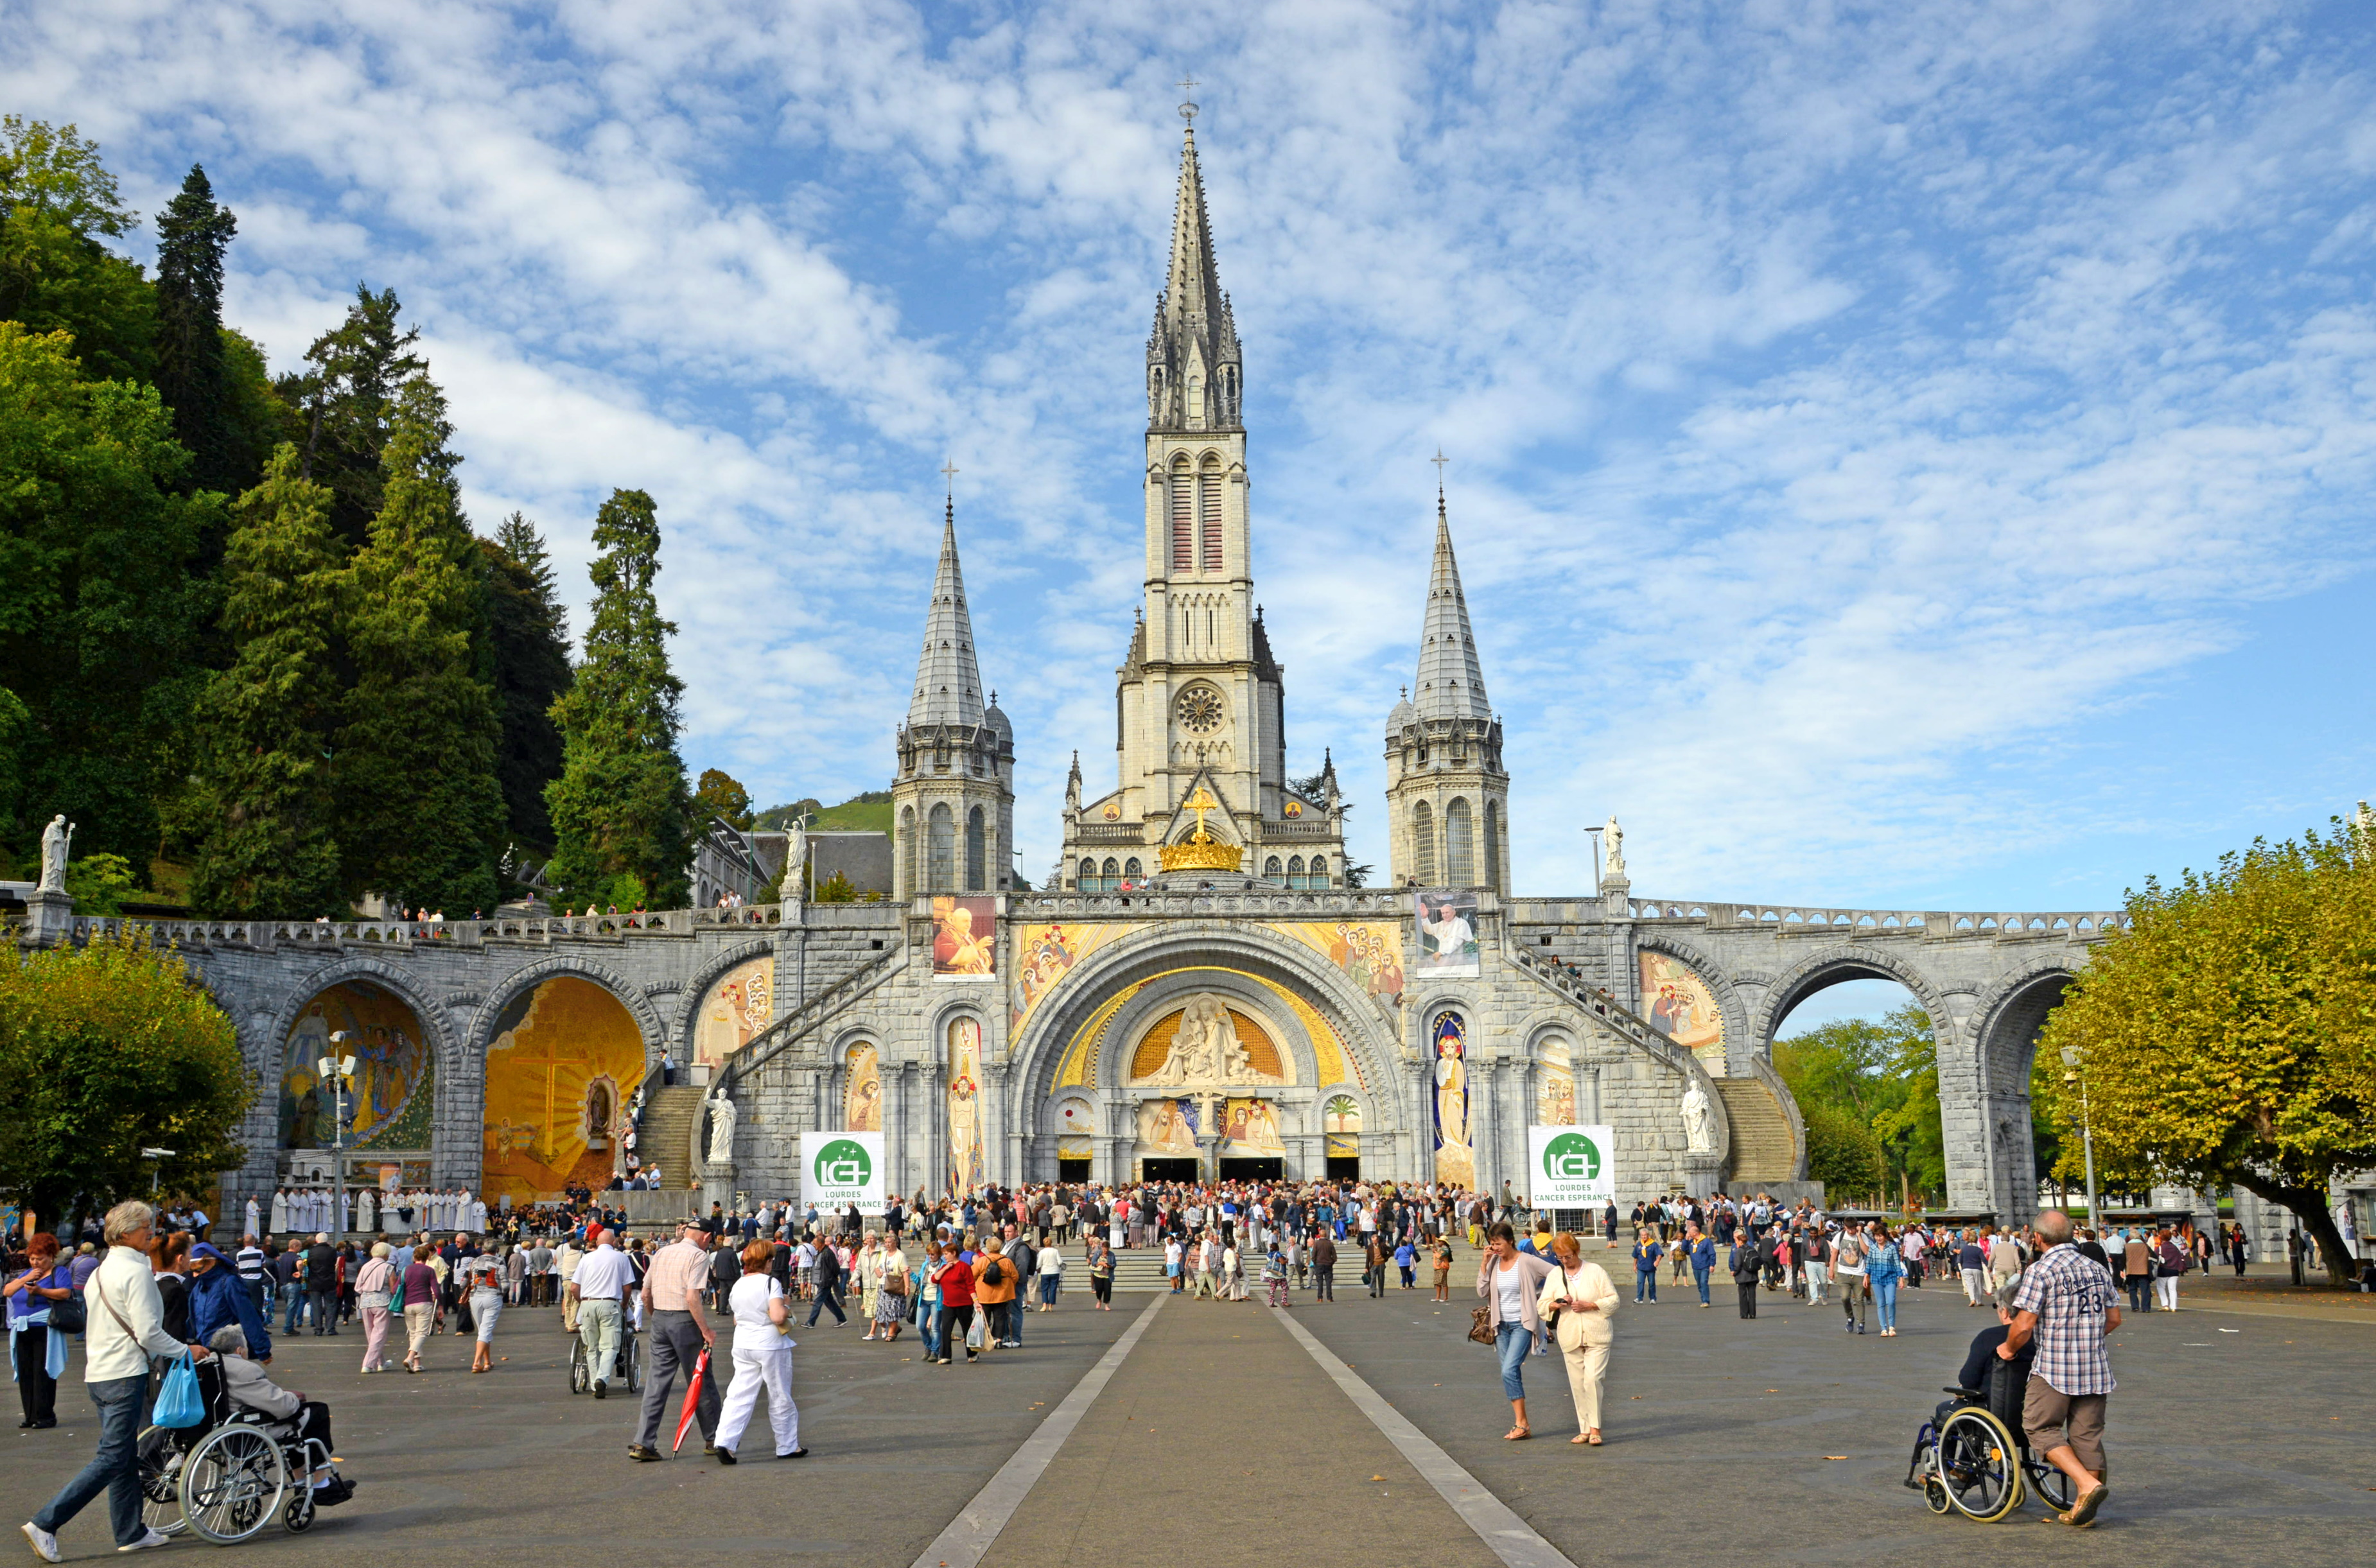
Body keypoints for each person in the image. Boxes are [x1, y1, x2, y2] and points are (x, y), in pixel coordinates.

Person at [22, 1200, 216, 1561]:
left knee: (124, 1456)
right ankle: (46, 1522)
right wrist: (185, 1350)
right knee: (113, 1457)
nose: (152, 1233)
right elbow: (149, 1332)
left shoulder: (100, 1270)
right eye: (146, 1227)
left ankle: (131, 1531)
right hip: (125, 1373)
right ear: (127, 1233)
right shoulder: (137, 1272)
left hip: (99, 1372)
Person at [2003, 1210, 2121, 1528]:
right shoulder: (2097, 1268)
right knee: (2088, 1436)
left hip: (2055, 1367)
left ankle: (2086, 1485)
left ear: (2038, 1238)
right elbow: (2114, 1319)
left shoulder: (2041, 1271)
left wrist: (2009, 1348)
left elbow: (2024, 1325)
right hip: (2095, 1366)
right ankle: (2083, 1507)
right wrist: (2088, 1337)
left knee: (2039, 1427)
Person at [209, 1325, 355, 1507]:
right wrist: (293, 1397)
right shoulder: (243, 1370)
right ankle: (319, 1482)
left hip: (216, 1428)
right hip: (248, 1430)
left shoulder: (205, 1364)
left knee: (299, 1421)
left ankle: (303, 1478)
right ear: (239, 1350)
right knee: (316, 1413)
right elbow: (283, 1406)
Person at [632, 1219, 721, 1461]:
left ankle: (643, 1442)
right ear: (706, 1237)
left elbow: (645, 1292)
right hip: (684, 1320)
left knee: (656, 1382)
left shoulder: (662, 1252)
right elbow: (693, 1297)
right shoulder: (698, 1257)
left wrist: (656, 1317)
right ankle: (714, 1438)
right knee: (700, 1378)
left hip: (660, 1317)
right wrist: (706, 1331)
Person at [713, 1241, 805, 1462]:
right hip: (770, 1344)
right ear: (766, 1261)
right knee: (780, 1394)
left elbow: (737, 1318)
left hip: (744, 1343)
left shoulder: (739, 1284)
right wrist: (784, 1303)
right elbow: (778, 1317)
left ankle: (725, 1441)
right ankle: (787, 1445)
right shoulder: (770, 1283)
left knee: (739, 1394)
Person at [1474, 1221, 1556, 1442]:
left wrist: (1545, 1299)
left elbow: (1555, 1273)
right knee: (1509, 1372)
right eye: (1492, 1244)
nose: (1495, 1248)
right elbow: (1482, 1291)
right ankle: (1522, 1423)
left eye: (1498, 1243)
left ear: (1510, 1240)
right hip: (1501, 1325)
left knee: (1509, 1370)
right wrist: (1485, 1262)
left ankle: (1521, 1423)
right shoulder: (1493, 1263)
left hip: (1523, 1323)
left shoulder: (1527, 1261)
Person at [1539, 1232, 1621, 1444]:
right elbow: (1542, 1305)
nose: (1565, 1261)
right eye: (1560, 1257)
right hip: (1569, 1335)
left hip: (1597, 1334)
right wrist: (1556, 1304)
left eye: (1568, 1256)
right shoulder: (1555, 1275)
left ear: (1577, 1252)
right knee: (1577, 1385)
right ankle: (1584, 1429)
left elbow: (1614, 1300)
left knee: (1593, 1381)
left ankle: (1595, 1430)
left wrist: (1592, 1305)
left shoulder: (1596, 1271)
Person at [4, 1233, 72, 1429]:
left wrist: (41, 1291)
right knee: (25, 1372)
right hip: (22, 1328)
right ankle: (30, 1415)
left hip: (44, 1328)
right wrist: (27, 1277)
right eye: (32, 1258)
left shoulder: (58, 1272)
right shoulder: (27, 1273)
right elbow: (8, 1291)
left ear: (51, 1256)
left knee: (42, 1372)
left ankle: (45, 1415)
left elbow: (64, 1293)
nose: (35, 1262)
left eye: (40, 1258)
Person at [573, 1229, 633, 1398]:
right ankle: (602, 1378)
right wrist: (624, 1304)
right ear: (614, 1242)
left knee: (592, 1348)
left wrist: (583, 1303)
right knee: (610, 1346)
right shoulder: (621, 1258)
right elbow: (627, 1287)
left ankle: (594, 1383)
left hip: (588, 1302)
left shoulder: (586, 1258)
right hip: (610, 1303)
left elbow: (574, 1287)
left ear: (597, 1243)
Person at [934, 1242, 979, 1365]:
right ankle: (945, 1355)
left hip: (964, 1304)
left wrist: (976, 1301)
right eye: (943, 1254)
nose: (945, 1257)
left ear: (954, 1253)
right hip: (948, 1304)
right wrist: (946, 1268)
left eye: (946, 1254)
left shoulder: (964, 1267)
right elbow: (935, 1279)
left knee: (967, 1330)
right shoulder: (945, 1267)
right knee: (946, 1330)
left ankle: (973, 1353)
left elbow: (971, 1285)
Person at [396, 1244, 438, 1373]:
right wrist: (440, 1306)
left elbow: (395, 1289)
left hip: (408, 1304)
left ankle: (417, 1363)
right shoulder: (429, 1270)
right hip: (424, 1302)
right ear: (427, 1257)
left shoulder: (406, 1270)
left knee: (413, 1333)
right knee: (422, 1333)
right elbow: (436, 1290)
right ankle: (410, 1358)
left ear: (414, 1257)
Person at [355, 1244, 396, 1373]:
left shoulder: (365, 1266)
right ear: (385, 1254)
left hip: (366, 1302)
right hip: (382, 1301)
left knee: (371, 1334)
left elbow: (357, 1287)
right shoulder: (388, 1267)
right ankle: (368, 1364)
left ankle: (381, 1362)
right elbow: (393, 1288)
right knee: (379, 1334)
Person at [463, 1248, 505, 1372]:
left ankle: (487, 1362)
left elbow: (463, 1282)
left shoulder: (474, 1262)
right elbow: (506, 1284)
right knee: (485, 1331)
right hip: (492, 1296)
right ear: (495, 1250)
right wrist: (501, 1294)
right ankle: (476, 1363)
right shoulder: (499, 1262)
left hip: (475, 1297)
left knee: (483, 1330)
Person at [1867, 1223, 1905, 1336]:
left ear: (1885, 1236)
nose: (1878, 1238)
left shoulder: (1892, 1248)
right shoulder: (1873, 1248)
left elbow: (1897, 1264)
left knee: (1891, 1301)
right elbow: (1869, 1263)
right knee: (1881, 1303)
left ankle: (1892, 1326)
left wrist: (1901, 1278)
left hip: (1890, 1278)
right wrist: (1866, 1276)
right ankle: (1883, 1328)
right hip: (1876, 1278)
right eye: (1876, 1236)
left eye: (1880, 1236)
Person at [807, 1232, 847, 1327]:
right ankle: (842, 1319)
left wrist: (829, 1278)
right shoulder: (821, 1253)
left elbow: (835, 1268)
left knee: (817, 1302)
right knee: (829, 1302)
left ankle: (811, 1322)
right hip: (822, 1280)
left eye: (815, 1244)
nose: (814, 1246)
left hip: (825, 1281)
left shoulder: (828, 1253)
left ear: (821, 1243)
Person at [1835, 1223, 1869, 1334]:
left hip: (1859, 1273)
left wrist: (1859, 1236)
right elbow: (1834, 1252)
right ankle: (1850, 1317)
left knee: (1859, 1299)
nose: (1851, 1231)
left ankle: (1861, 1324)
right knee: (1845, 1298)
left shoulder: (1863, 1237)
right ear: (1845, 1227)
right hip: (1843, 1273)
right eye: (1849, 1229)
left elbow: (1866, 1251)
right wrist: (1831, 1269)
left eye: (1853, 1229)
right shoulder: (1840, 1236)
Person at [1727, 1230, 1761, 1318]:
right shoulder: (1752, 1249)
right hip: (1753, 1275)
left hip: (1742, 1276)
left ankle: (1744, 1314)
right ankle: (1753, 1313)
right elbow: (1759, 1261)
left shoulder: (1740, 1251)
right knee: (1752, 1296)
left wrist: (1735, 1273)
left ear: (1740, 1241)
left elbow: (1737, 1264)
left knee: (1743, 1295)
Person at [1630, 1232, 1661, 1304]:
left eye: (1645, 1235)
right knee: (1640, 1282)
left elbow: (1659, 1254)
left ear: (1648, 1235)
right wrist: (1634, 1266)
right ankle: (1639, 1298)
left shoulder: (1653, 1244)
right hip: (1641, 1267)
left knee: (1651, 1283)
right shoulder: (1638, 1244)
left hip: (1651, 1267)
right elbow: (1636, 1256)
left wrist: (1657, 1261)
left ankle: (1653, 1298)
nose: (1644, 1237)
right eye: (1642, 1235)